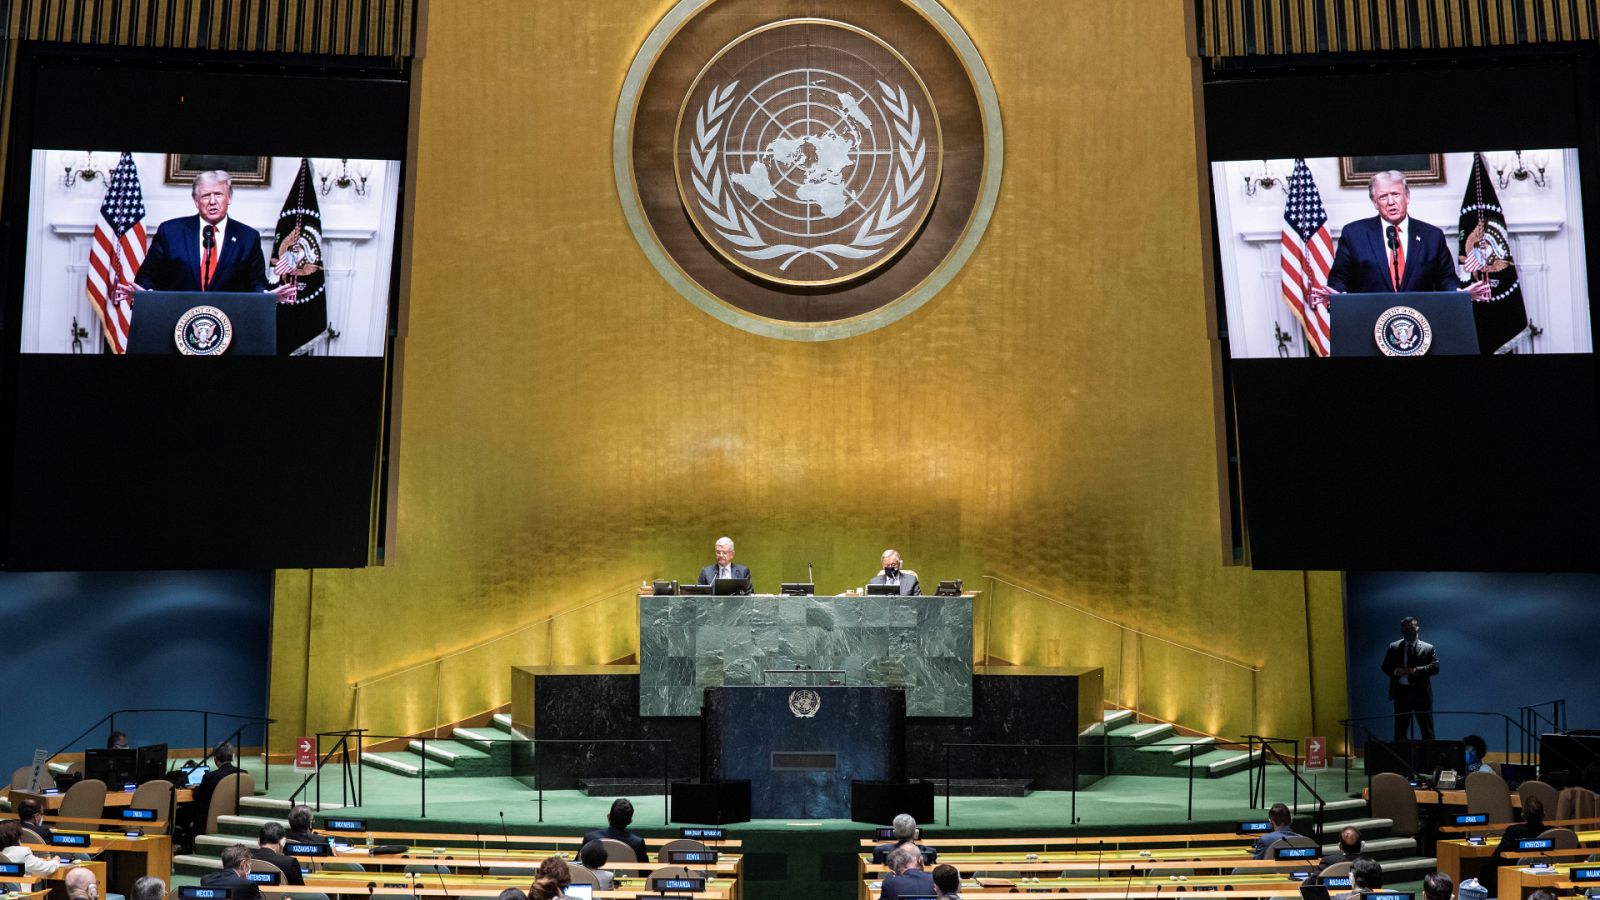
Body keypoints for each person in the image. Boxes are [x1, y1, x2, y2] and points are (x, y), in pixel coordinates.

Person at [1309, 170, 1492, 305]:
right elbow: (1338, 278)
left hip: (1422, 318)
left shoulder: (1432, 236)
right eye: (1383, 197)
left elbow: (1446, 279)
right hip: (1370, 318)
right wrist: (1338, 297)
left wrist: (1459, 294)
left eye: (1395, 194)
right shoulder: (1353, 233)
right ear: (1374, 203)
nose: (1390, 202)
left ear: (1407, 197)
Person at [117, 171, 297, 301]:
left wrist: (266, 297)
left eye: (218, 194)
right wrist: (143, 294)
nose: (212, 202)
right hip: (176, 318)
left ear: (229, 198)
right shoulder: (170, 231)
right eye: (205, 196)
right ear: (196, 201)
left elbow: (256, 283)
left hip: (229, 323)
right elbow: (147, 276)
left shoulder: (248, 237)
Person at [1381, 616, 1439, 741]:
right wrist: (1397, 671)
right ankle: (1401, 759)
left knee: (1427, 730)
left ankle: (1429, 759)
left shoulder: (1428, 648)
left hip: (1421, 694)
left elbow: (1435, 668)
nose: (1410, 631)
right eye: (1406, 628)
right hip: (1401, 693)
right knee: (1400, 730)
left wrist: (1415, 671)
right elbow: (1385, 666)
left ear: (1418, 628)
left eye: (1412, 628)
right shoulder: (1394, 647)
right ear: (1402, 630)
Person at [1480, 795, 1549, 889]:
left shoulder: (1513, 831)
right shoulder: (1552, 833)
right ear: (1543, 814)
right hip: (1546, 875)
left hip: (1515, 877)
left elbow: (1496, 858)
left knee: (1486, 870)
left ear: (1522, 815)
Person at [191, 741, 244, 825]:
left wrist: (196, 788)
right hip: (235, 814)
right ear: (232, 757)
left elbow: (198, 796)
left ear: (216, 758)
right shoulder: (243, 774)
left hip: (210, 818)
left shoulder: (210, 777)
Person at [582, 799, 647, 862]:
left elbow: (577, 865)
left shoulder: (590, 838)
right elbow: (645, 872)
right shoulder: (638, 843)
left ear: (608, 816)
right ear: (630, 821)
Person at [871, 813, 938, 866]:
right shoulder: (931, 852)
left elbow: (873, 873)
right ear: (916, 833)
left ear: (894, 833)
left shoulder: (879, 850)